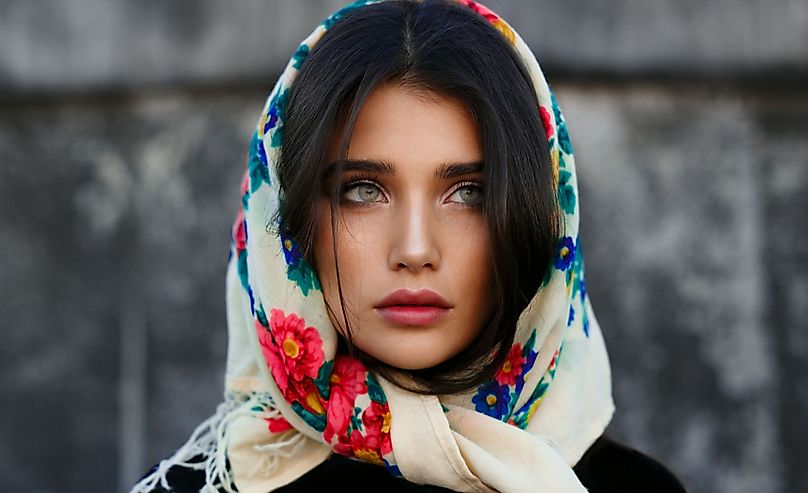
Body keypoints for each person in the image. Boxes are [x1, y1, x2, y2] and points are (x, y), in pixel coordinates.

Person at [132, 0, 686, 491]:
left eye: (469, 193)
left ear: (538, 213)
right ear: (288, 221)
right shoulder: (211, 485)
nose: (416, 249)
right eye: (362, 190)